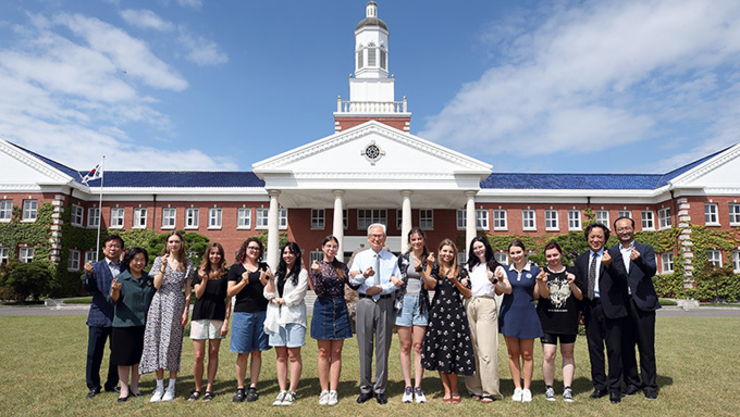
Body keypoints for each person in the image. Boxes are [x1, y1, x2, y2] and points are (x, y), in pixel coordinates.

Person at [349, 223, 403, 405]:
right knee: (364, 347)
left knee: (383, 347)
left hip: (385, 302)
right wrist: (364, 275)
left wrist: (380, 287)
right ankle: (365, 388)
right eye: (373, 235)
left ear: (385, 237)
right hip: (364, 302)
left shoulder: (392, 258)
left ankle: (380, 389)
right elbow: (352, 278)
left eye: (380, 236)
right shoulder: (360, 257)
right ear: (368, 237)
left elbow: (397, 282)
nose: (376, 238)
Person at [576, 223, 629, 404]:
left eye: (599, 237)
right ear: (587, 238)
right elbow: (581, 287)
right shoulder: (582, 259)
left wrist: (610, 266)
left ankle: (614, 388)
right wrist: (580, 311)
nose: (595, 240)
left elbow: (623, 280)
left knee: (614, 349)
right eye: (592, 237)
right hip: (591, 308)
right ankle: (599, 386)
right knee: (595, 350)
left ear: (605, 238)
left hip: (612, 309)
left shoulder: (614, 255)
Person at [140, 231, 195, 402]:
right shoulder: (158, 260)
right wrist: (163, 267)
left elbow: (188, 290)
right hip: (159, 302)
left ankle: (171, 387)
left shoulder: (188, 263)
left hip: (177, 303)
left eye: (177, 241)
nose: (174, 244)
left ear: (182, 244)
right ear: (167, 244)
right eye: (171, 241)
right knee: (156, 342)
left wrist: (186, 310)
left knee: (172, 344)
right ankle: (159, 387)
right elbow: (156, 285)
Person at [420, 238, 475, 404]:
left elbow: (467, 293)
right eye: (444, 251)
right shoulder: (435, 269)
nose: (447, 254)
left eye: (450, 252)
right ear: (439, 252)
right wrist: (428, 266)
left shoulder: (461, 270)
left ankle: (455, 389)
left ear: (454, 254)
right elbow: (427, 286)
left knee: (453, 351)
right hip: (438, 315)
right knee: (440, 351)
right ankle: (446, 390)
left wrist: (455, 280)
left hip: (455, 315)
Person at [611, 216, 660, 400]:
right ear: (615, 231)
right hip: (622, 305)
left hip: (643, 304)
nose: (624, 231)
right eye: (620, 229)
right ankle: (632, 382)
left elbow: (652, 271)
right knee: (626, 346)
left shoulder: (645, 249)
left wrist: (639, 260)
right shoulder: (612, 252)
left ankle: (649, 385)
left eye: (627, 228)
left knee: (646, 346)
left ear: (633, 229)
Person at [309, 235, 356, 406]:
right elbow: (319, 291)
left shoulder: (342, 266)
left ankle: (333, 390)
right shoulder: (316, 266)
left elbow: (353, 285)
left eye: (334, 246)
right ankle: (324, 390)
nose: (331, 249)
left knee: (336, 352)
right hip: (323, 307)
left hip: (340, 307)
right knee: (323, 352)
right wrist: (317, 274)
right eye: (328, 246)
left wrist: (363, 275)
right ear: (322, 247)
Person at [535, 241, 583, 402]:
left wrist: (572, 283)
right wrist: (541, 281)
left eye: (555, 255)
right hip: (547, 319)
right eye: (549, 256)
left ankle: (567, 388)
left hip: (568, 319)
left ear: (561, 254)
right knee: (549, 355)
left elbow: (580, 296)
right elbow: (541, 296)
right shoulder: (542, 272)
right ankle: (549, 387)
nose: (552, 258)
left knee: (568, 354)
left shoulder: (573, 271)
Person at [227, 237, 272, 402]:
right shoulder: (235, 268)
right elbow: (230, 292)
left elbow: (271, 289)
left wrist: (264, 280)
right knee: (242, 353)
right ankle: (240, 387)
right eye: (251, 248)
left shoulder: (264, 267)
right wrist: (244, 282)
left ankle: (253, 387)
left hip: (261, 313)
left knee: (257, 351)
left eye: (257, 249)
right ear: (245, 249)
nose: (254, 251)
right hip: (242, 314)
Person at [107, 247, 156, 402]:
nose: (139, 262)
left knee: (138, 359)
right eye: (135, 259)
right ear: (128, 261)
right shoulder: (121, 279)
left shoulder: (149, 279)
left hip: (143, 325)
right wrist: (115, 290)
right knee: (123, 359)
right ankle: (124, 389)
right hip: (123, 325)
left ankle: (135, 387)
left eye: (142, 259)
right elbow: (113, 301)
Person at [264, 242, 309, 406]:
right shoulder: (277, 272)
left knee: (293, 355)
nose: (287, 255)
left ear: (297, 255)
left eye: (291, 253)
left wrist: (282, 300)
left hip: (294, 318)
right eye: (285, 252)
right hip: (277, 318)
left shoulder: (302, 273)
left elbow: (300, 293)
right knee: (280, 356)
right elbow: (268, 294)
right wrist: (270, 280)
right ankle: (282, 390)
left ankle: (292, 391)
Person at [499, 240, 543, 402]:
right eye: (512, 253)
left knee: (527, 354)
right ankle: (517, 388)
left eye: (518, 252)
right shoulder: (504, 270)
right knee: (512, 354)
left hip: (528, 315)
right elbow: (499, 290)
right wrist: (496, 280)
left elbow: (537, 295)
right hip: (509, 315)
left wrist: (540, 281)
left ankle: (527, 389)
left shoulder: (534, 270)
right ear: (509, 255)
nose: (516, 256)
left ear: (524, 252)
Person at [464, 236, 506, 403]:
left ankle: (490, 391)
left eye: (480, 246)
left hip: (487, 304)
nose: (478, 250)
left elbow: (502, 290)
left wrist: (495, 280)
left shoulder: (496, 267)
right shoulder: (469, 267)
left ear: (486, 247)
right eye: (475, 248)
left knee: (487, 350)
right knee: (472, 349)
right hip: (469, 304)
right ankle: (474, 388)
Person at [82, 235, 124, 399]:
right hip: (98, 315)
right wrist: (89, 275)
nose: (113, 248)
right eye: (110, 246)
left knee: (117, 353)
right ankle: (93, 385)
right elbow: (88, 288)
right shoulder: (95, 267)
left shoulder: (125, 268)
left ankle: (112, 383)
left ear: (121, 249)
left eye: (117, 246)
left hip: (118, 317)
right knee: (94, 353)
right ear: (104, 249)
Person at [189, 243, 231, 403]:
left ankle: (209, 389)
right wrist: (204, 279)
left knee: (213, 353)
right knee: (198, 356)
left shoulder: (225, 274)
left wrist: (226, 321)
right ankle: (197, 388)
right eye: (212, 253)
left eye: (218, 253)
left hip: (217, 316)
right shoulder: (198, 272)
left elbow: (228, 299)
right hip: (200, 316)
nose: (215, 256)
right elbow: (198, 294)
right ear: (208, 254)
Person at [394, 228, 431, 403]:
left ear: (423, 239)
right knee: (405, 346)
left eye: (419, 238)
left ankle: (418, 386)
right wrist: (393, 279)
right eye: (413, 239)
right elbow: (393, 276)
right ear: (410, 241)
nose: (416, 242)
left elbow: (431, 284)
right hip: (404, 303)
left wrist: (424, 269)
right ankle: (408, 386)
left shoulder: (429, 259)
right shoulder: (402, 258)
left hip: (421, 303)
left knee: (418, 346)